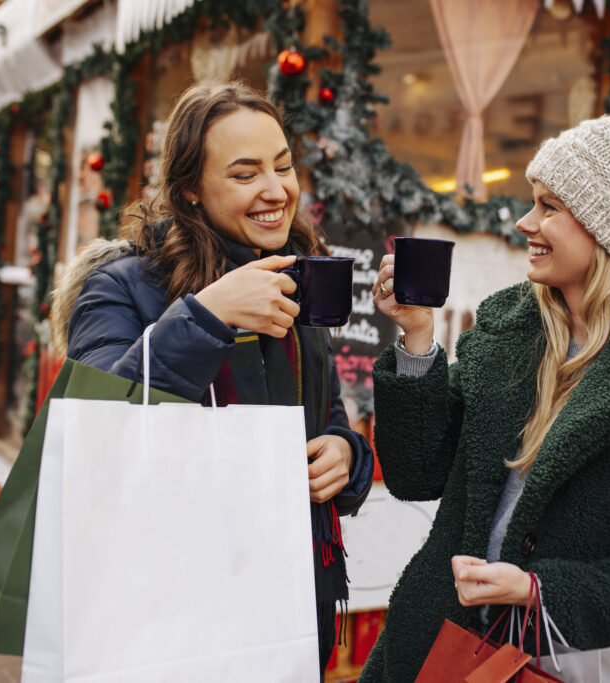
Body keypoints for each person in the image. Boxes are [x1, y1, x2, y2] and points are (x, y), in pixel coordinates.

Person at [361, 94, 610, 683]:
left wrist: (538, 592)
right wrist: (417, 338)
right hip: (436, 653)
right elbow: (418, 472)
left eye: (549, 207)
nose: (525, 223)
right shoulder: (507, 335)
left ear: (607, 230)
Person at [52, 81, 374, 677]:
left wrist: (345, 453)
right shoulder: (122, 285)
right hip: (172, 604)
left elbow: (324, 416)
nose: (276, 191)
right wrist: (208, 314)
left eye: (283, 166)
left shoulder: (298, 273)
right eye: (246, 174)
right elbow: (96, 433)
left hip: (293, 600)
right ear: (190, 190)